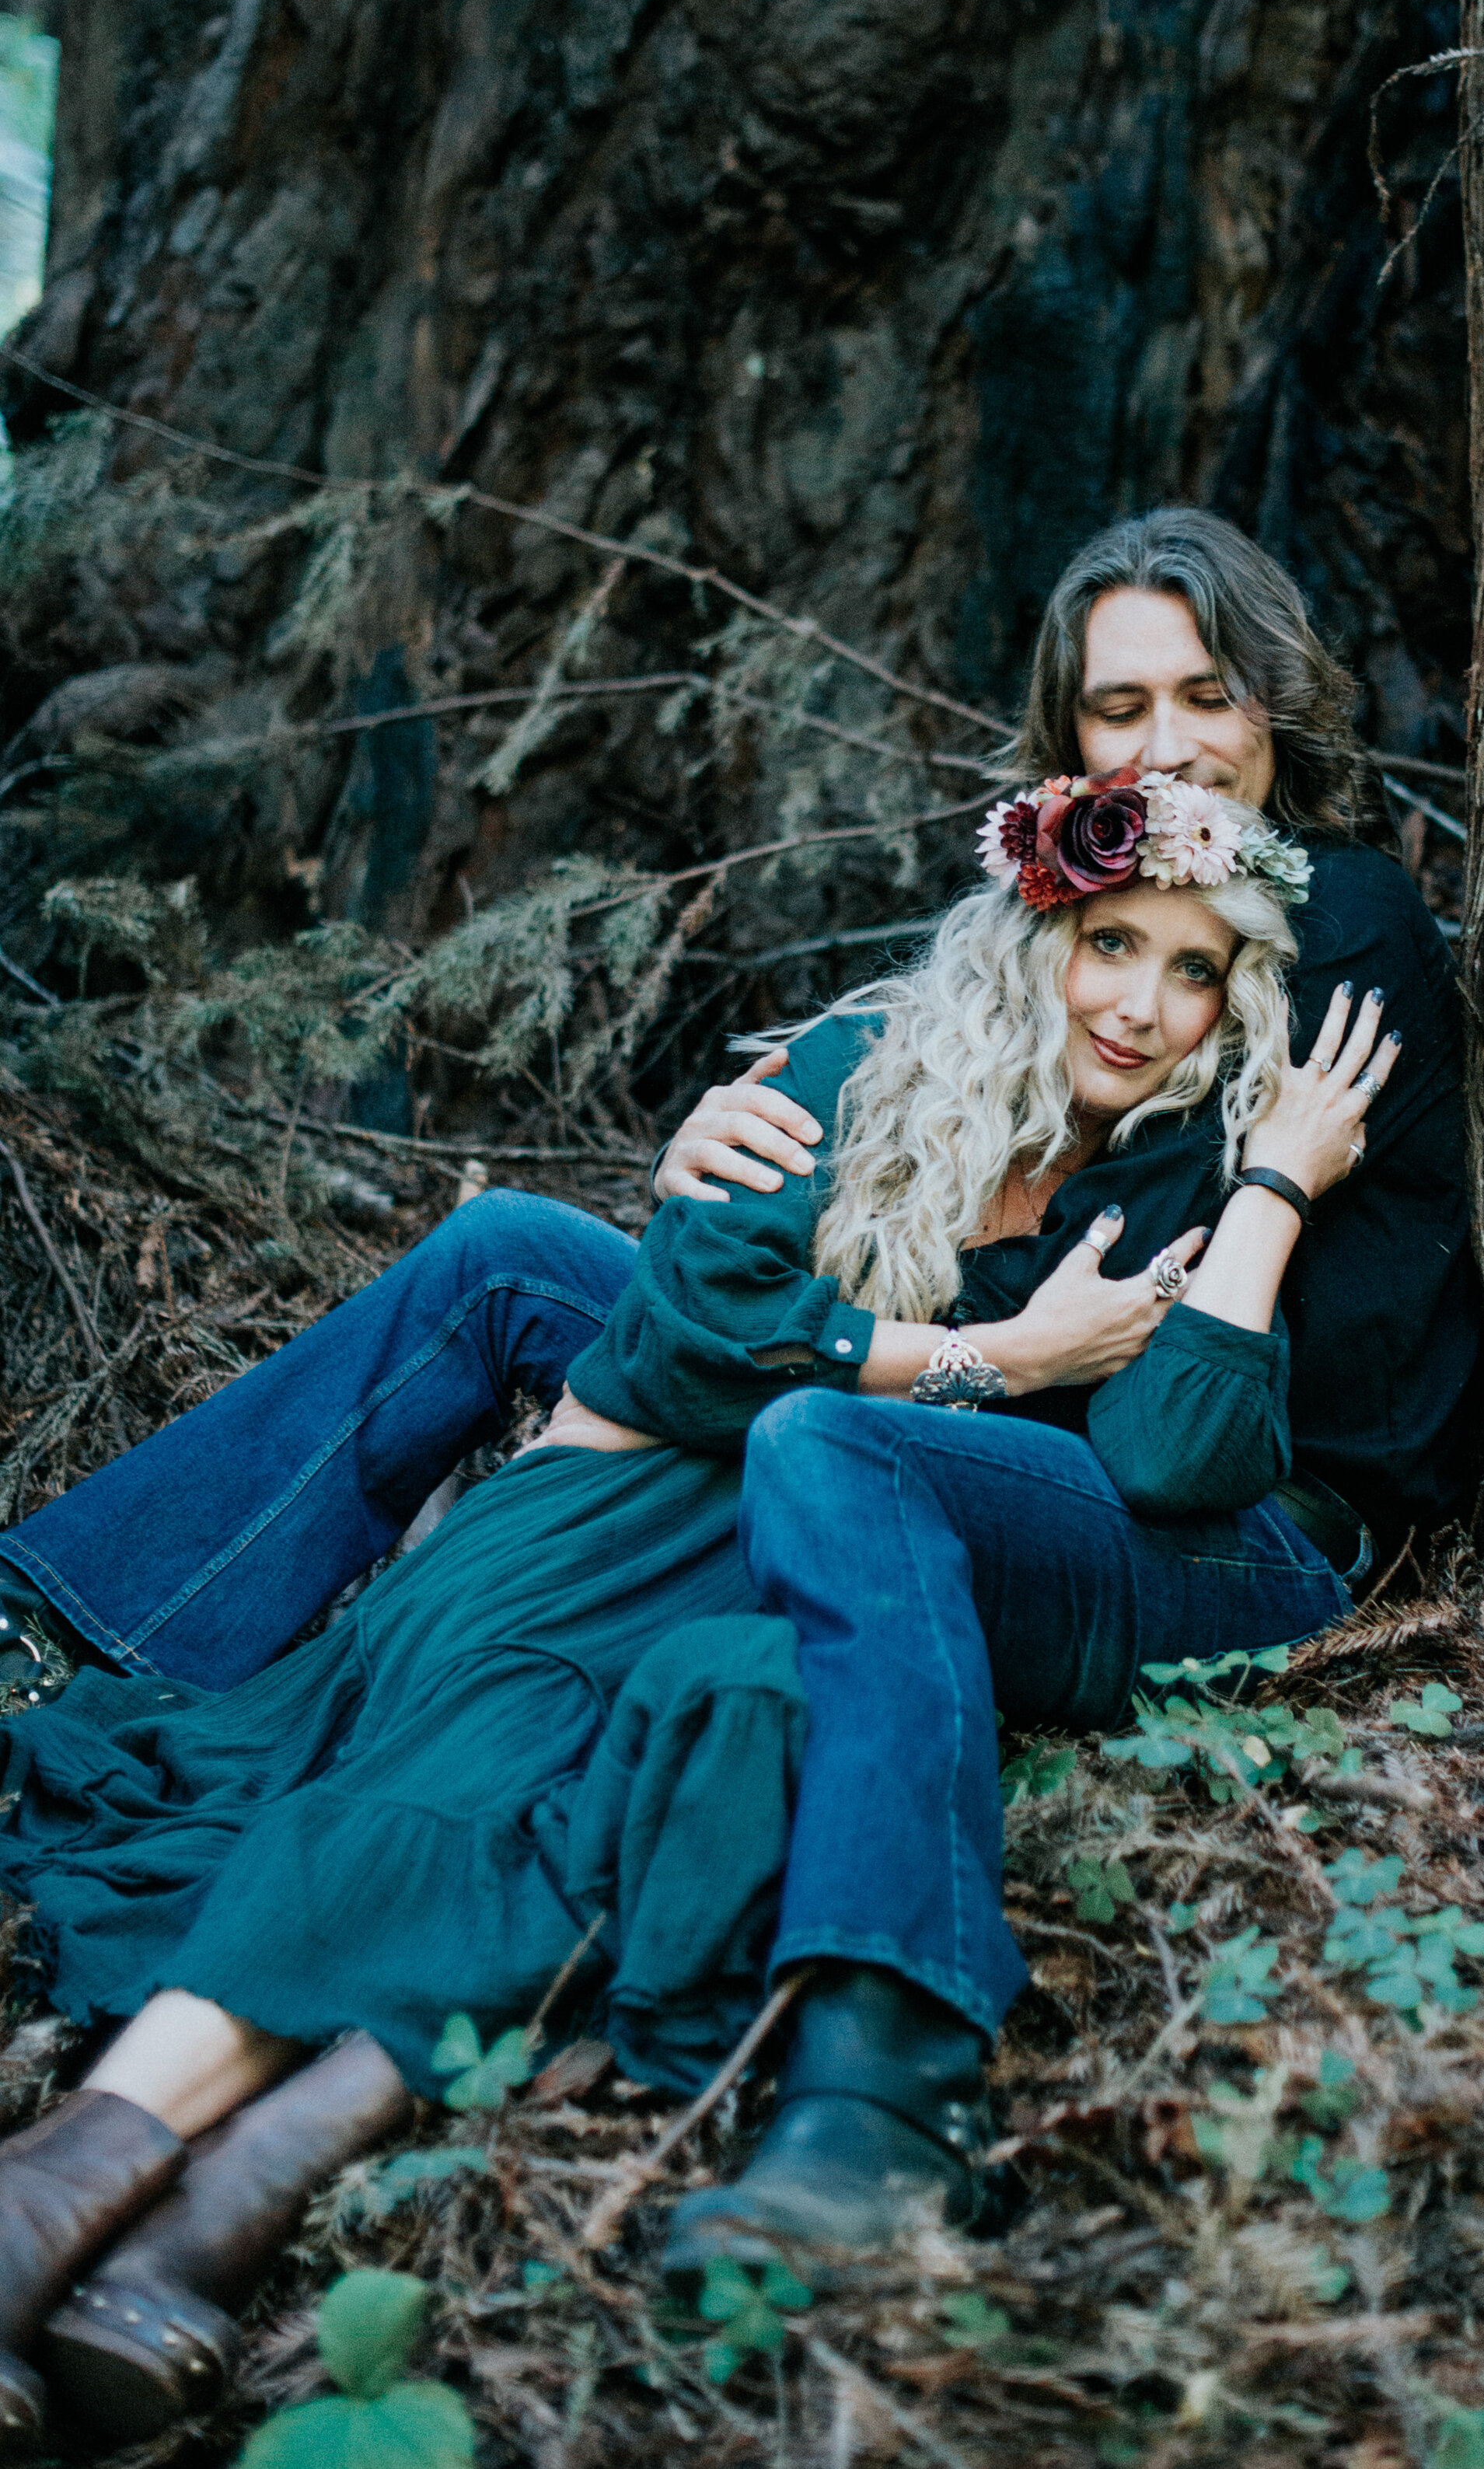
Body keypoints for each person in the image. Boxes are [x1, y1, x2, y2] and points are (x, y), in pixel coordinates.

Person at [0, 783, 1387, 2453]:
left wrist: (1271, 1191)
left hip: (776, 1568)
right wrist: (1004, 1364)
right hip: (605, 1525)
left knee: (674, 1748)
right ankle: (81, 2193)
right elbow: (684, 1340)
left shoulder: (1172, 1178)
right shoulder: (860, 1069)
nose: (1135, 1004)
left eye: (1190, 973)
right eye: (1108, 944)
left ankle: (190, 2208)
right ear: (1036, 933)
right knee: (489, 1743)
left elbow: (1175, 1458)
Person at [0, 504, 1479, 1705]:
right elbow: (947, 1094)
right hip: (1009, 1383)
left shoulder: (1324, 917)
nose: (1164, 746)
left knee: (755, 1385)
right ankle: (84, 1617)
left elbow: (1100, 1239)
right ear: (1067, 743)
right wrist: (738, 1170)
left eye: (1207, 697)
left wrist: (839, 1308)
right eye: (1120, 707)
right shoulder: (1092, 916)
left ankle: (404, 1685)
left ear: (1276, 706)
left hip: (1198, 1486)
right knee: (505, 1253)